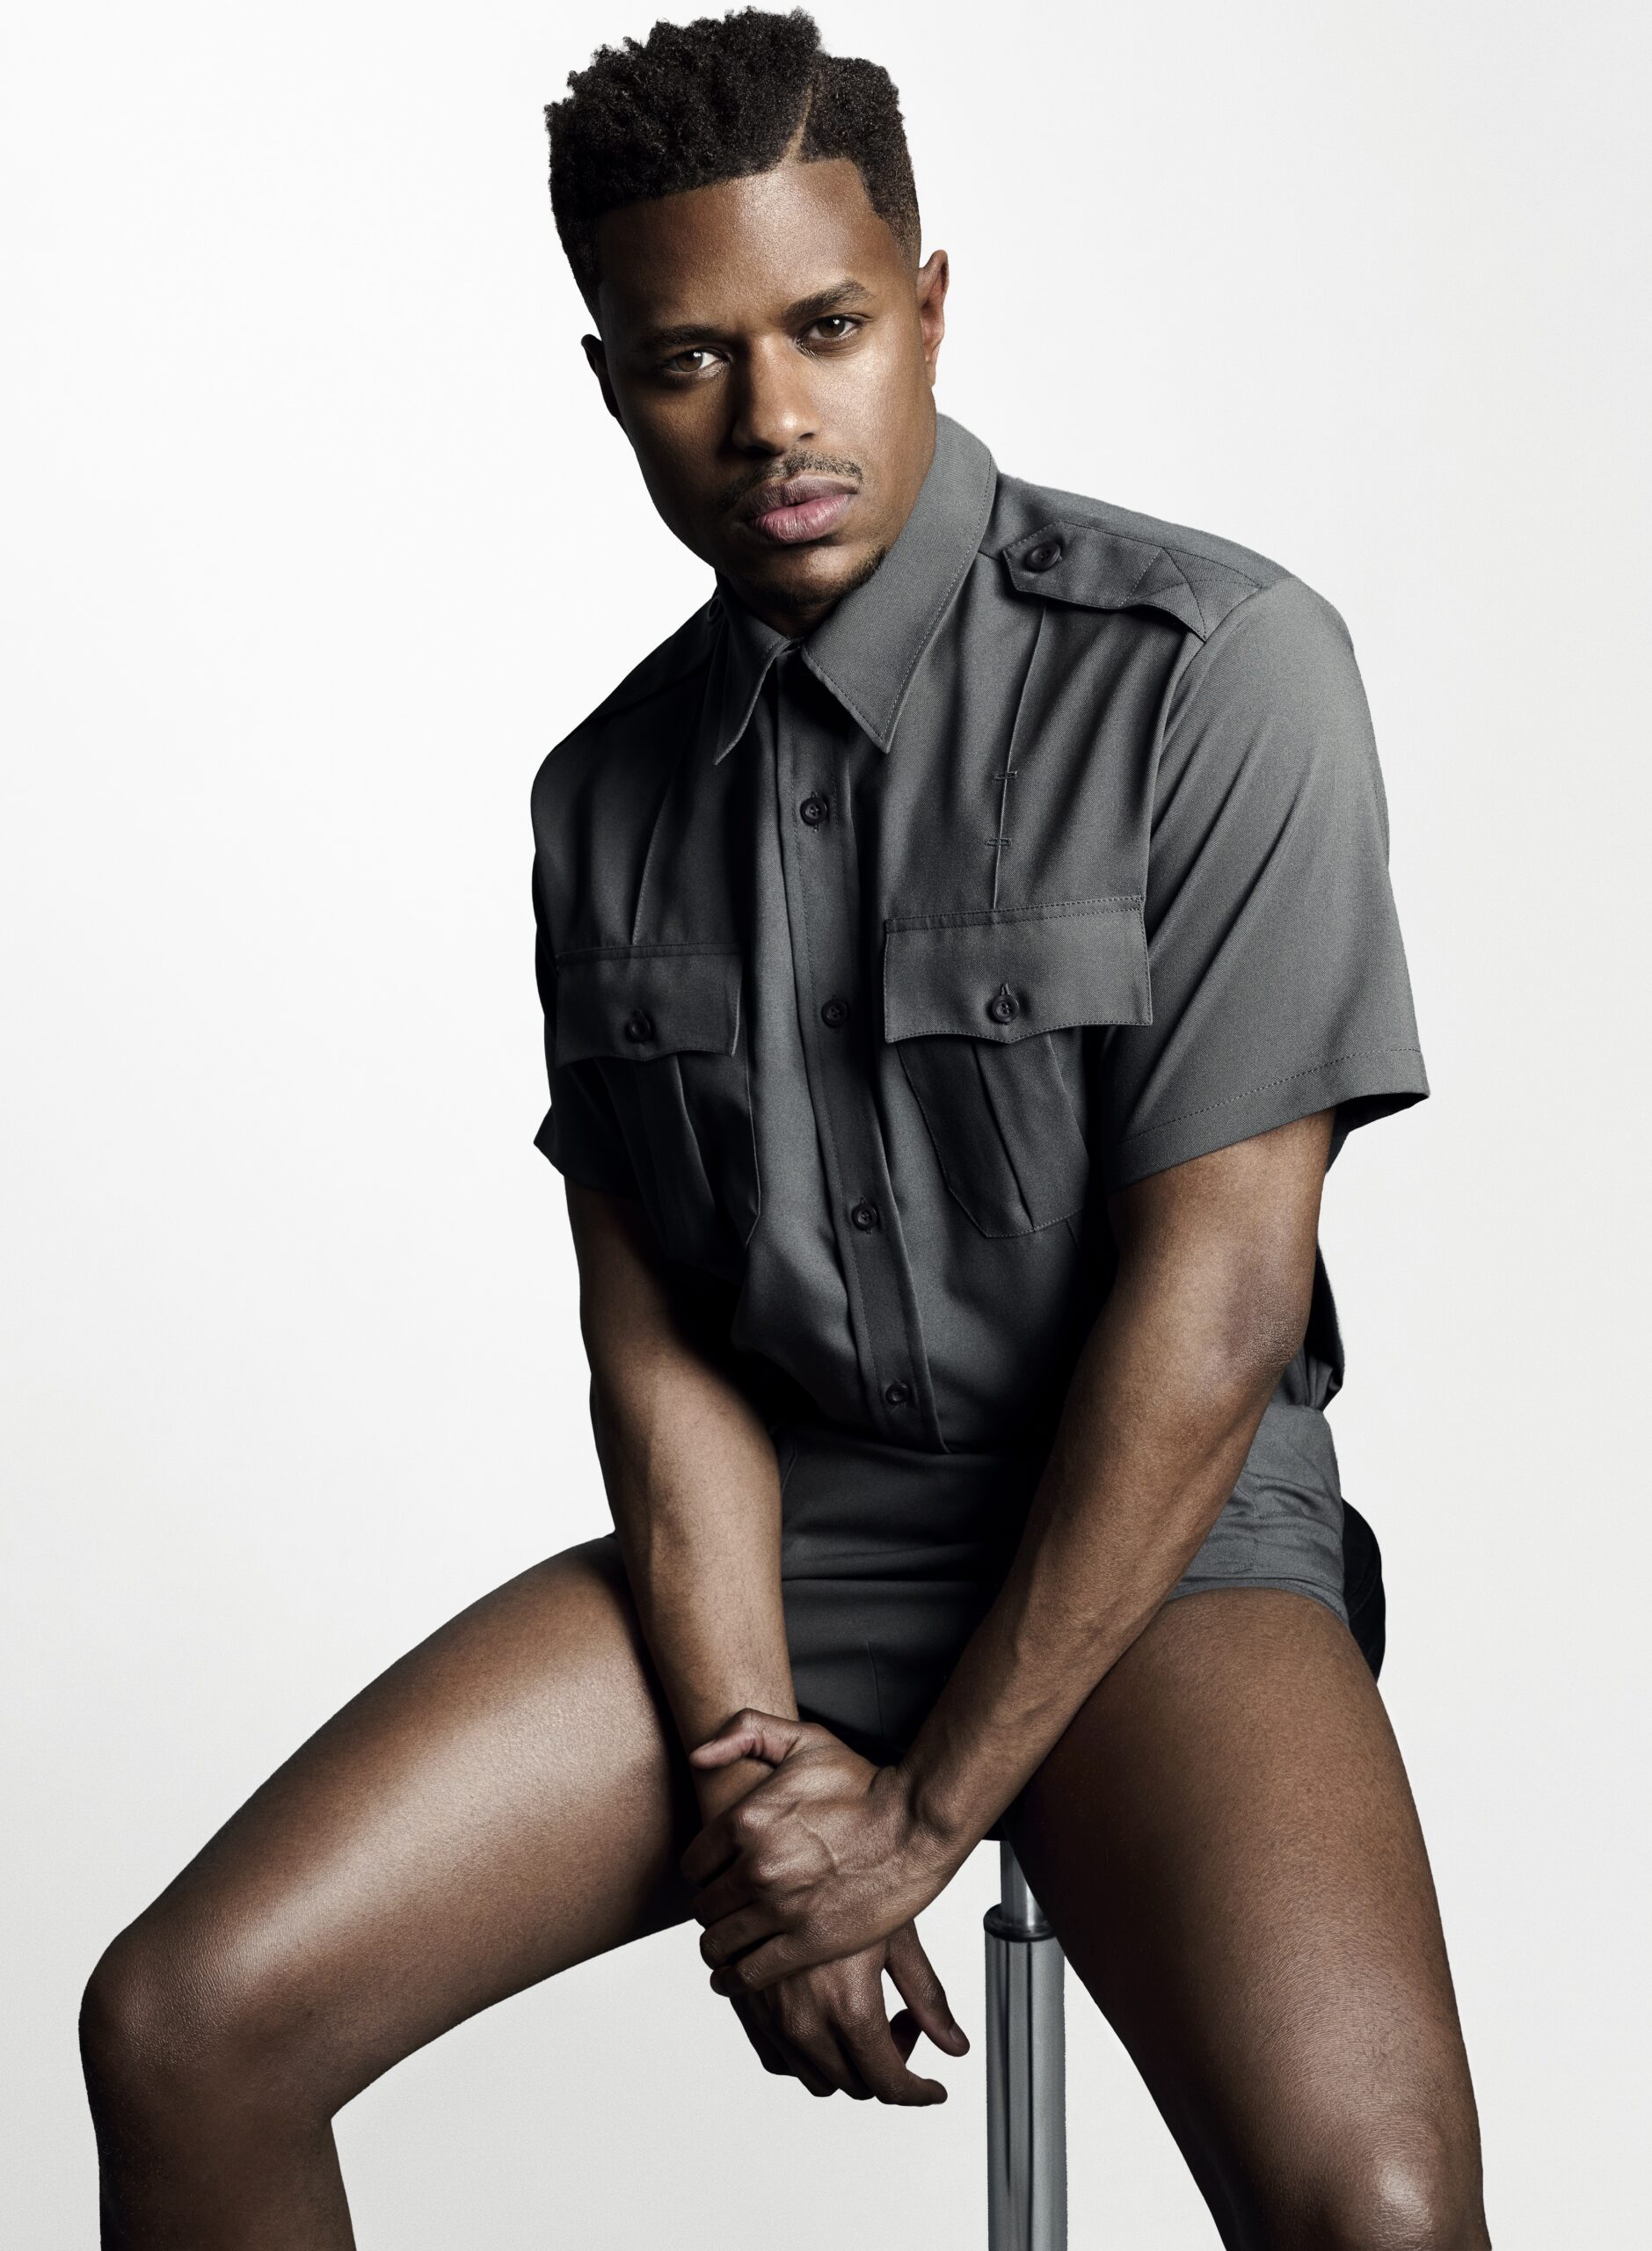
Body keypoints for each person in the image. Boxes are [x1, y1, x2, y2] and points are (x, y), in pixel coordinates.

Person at [78, 9, 1490, 2244]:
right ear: (610, 382)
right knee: (185, 2020)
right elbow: (661, 1357)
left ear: (925, 303)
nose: (767, 419)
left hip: (1165, 1537)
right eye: (686, 360)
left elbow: (1215, 1308)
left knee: (1378, 2207)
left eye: (825, 327)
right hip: (795, 1544)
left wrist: (909, 1829)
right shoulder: (602, 798)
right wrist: (765, 1794)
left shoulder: (1215, 667)